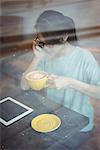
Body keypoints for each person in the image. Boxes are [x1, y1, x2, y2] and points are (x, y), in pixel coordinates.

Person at [21, 10, 100, 148]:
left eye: (50, 44)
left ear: (64, 37)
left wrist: (70, 82)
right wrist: (36, 58)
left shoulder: (84, 57)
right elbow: (24, 85)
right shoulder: (44, 55)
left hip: (79, 124)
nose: (45, 48)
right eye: (41, 42)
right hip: (51, 117)